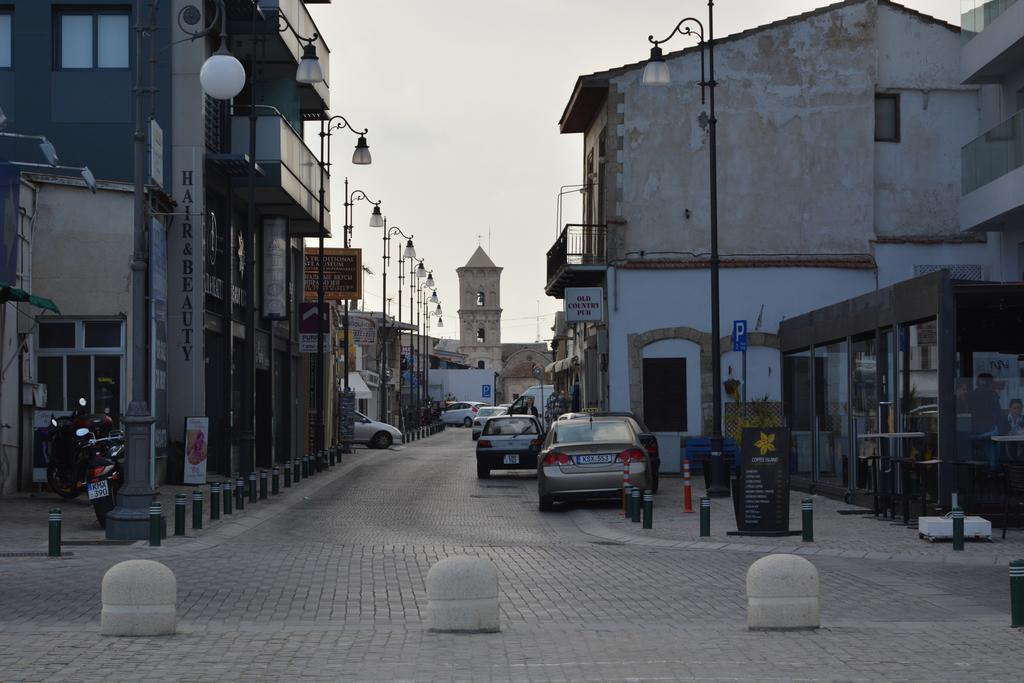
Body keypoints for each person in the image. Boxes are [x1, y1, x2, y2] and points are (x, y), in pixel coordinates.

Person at [968, 373, 1002, 469]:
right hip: (989, 432)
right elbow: (997, 414)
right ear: (990, 383)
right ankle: (993, 471)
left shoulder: (971, 395)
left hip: (974, 432)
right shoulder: (992, 395)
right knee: (993, 461)